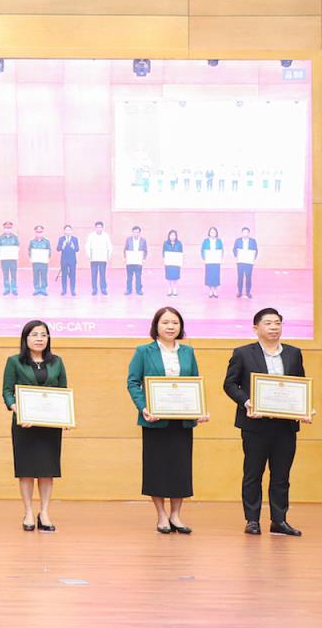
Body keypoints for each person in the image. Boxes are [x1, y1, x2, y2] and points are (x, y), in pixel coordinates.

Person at [223, 308, 311, 536]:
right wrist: (247, 402)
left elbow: (299, 384)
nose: (274, 327)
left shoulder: (293, 353)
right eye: (268, 323)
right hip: (255, 424)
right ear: (256, 328)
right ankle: (252, 520)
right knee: (253, 473)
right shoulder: (243, 353)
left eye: (277, 323)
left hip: (285, 425)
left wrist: (303, 408)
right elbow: (230, 384)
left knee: (281, 475)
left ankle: (279, 520)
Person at [126, 307, 209, 534]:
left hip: (182, 422)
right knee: (157, 468)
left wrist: (199, 410)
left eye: (175, 322)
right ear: (156, 326)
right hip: (155, 420)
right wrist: (144, 407)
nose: (170, 326)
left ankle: (176, 515)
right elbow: (133, 382)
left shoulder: (188, 352)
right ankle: (161, 515)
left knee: (180, 468)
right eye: (165, 322)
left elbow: (194, 383)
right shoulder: (144, 351)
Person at [2, 320, 66, 532]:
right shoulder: (14, 362)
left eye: (43, 335)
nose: (39, 339)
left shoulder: (57, 362)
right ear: (25, 338)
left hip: (50, 426)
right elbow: (7, 391)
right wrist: (17, 409)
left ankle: (44, 512)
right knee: (27, 470)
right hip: (25, 425)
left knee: (47, 470)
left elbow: (63, 392)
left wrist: (65, 416)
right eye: (35, 335)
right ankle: (28, 511)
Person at [86, 221, 111, 296]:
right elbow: (87, 246)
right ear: (95, 228)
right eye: (97, 227)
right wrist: (89, 256)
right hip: (94, 258)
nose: (99, 228)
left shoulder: (106, 236)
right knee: (94, 274)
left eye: (100, 227)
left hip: (103, 258)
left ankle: (103, 289)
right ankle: (94, 289)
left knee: (103, 274)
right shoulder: (91, 236)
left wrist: (108, 256)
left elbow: (109, 246)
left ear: (102, 228)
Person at [0, 221, 20, 296]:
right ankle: (6, 289)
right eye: (6, 228)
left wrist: (14, 254)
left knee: (13, 274)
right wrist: (0, 255)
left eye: (9, 228)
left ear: (11, 228)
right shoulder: (0, 237)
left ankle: (14, 289)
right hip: (4, 260)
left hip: (13, 259)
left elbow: (18, 247)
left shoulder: (15, 237)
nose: (8, 229)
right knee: (5, 274)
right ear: (4, 228)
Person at [233, 227, 257, 299]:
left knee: (248, 277)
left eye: (247, 232)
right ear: (242, 233)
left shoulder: (253, 241)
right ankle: (239, 292)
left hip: (249, 262)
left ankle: (248, 292)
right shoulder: (238, 241)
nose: (245, 234)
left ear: (249, 233)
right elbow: (234, 249)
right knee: (240, 277)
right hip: (240, 262)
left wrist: (253, 258)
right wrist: (236, 256)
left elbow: (256, 250)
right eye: (244, 232)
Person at [124, 225, 147, 296]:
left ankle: (138, 290)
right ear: (132, 232)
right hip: (130, 261)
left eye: (137, 232)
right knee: (129, 276)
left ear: (140, 233)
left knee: (138, 276)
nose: (136, 234)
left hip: (138, 261)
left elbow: (145, 250)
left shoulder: (143, 240)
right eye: (134, 232)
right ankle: (129, 289)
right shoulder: (128, 239)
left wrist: (144, 259)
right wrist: (125, 258)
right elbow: (125, 249)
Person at [28, 225, 51, 296]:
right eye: (37, 232)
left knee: (44, 275)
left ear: (43, 232)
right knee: (36, 275)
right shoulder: (32, 242)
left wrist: (48, 258)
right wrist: (30, 258)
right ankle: (37, 289)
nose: (39, 233)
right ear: (35, 232)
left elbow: (49, 250)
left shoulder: (47, 241)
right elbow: (29, 250)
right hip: (35, 262)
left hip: (44, 262)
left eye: (40, 232)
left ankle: (43, 289)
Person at [56, 225, 79, 296]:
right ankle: (64, 290)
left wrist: (73, 247)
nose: (68, 231)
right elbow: (58, 249)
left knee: (73, 275)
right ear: (64, 231)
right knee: (64, 275)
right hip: (64, 260)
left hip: (72, 260)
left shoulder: (75, 239)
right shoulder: (61, 239)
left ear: (71, 231)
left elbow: (77, 249)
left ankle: (73, 290)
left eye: (69, 230)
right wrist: (62, 246)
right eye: (66, 230)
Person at [201, 227, 223, 298]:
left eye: (214, 232)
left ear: (216, 233)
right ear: (209, 233)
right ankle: (210, 291)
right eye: (211, 232)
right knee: (209, 276)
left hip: (216, 261)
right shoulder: (206, 241)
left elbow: (222, 250)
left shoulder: (219, 241)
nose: (212, 233)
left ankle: (215, 291)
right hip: (209, 261)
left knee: (216, 276)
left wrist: (221, 258)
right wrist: (204, 258)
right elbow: (202, 250)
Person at [162, 230, 183, 297]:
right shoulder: (166, 243)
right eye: (171, 235)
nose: (172, 236)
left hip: (176, 262)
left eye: (174, 235)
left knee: (175, 276)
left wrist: (180, 260)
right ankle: (169, 288)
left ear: (176, 236)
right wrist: (164, 259)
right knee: (169, 276)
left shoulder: (179, 243)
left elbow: (181, 252)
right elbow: (163, 252)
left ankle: (175, 289)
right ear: (169, 236)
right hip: (169, 262)